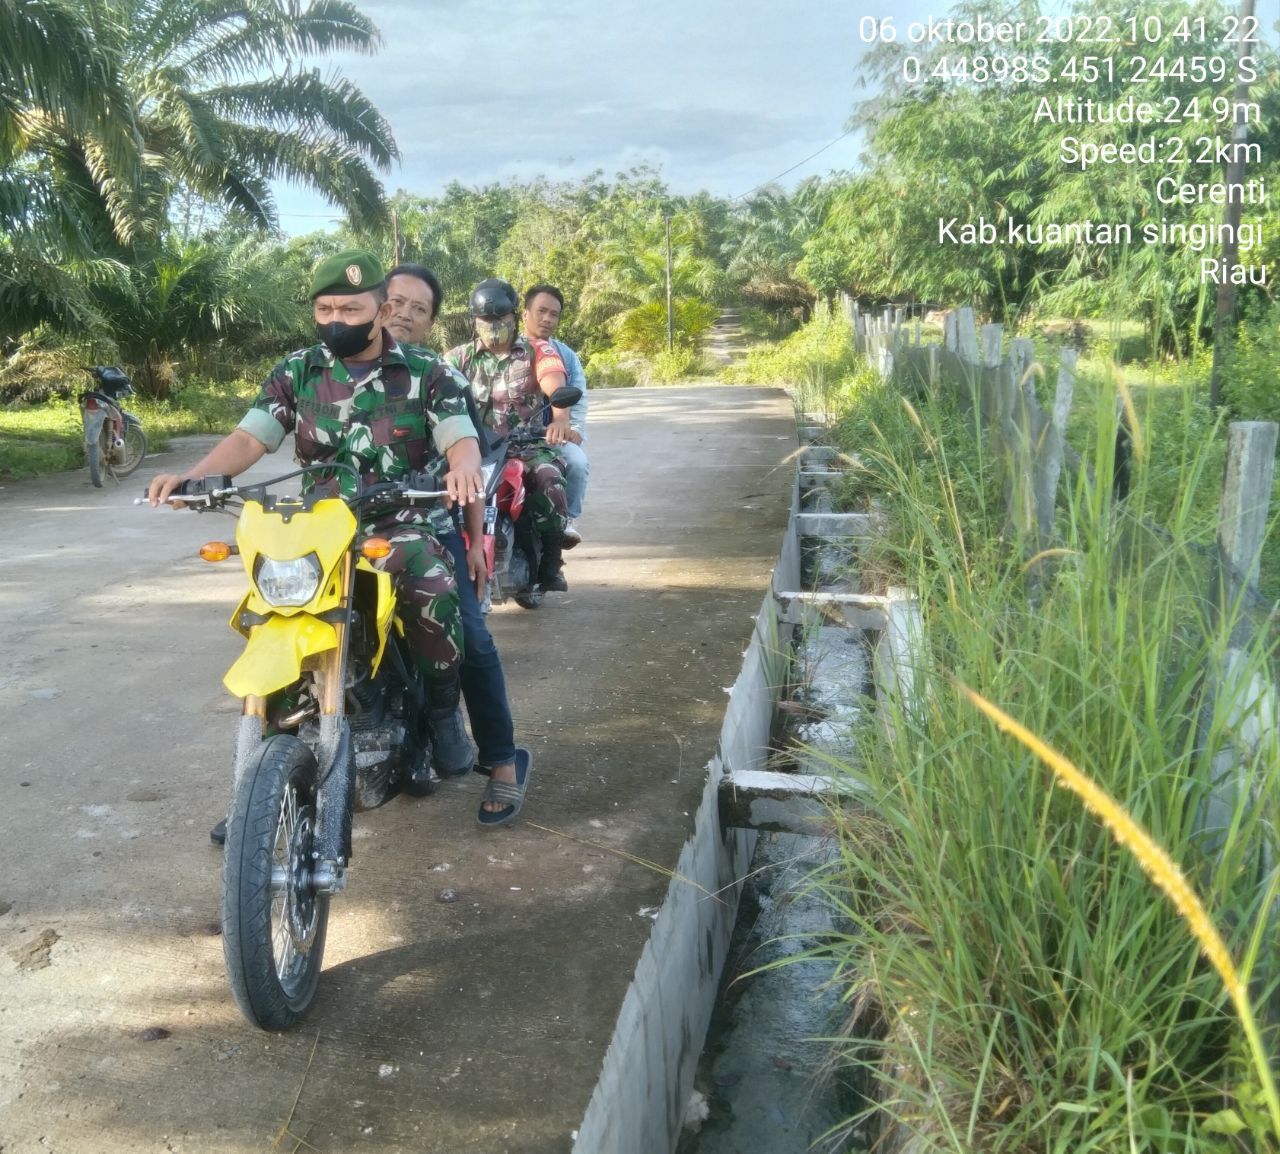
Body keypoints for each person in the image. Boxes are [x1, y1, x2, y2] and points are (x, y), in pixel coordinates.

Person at [148, 250, 532, 832]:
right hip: (317, 526)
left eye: (350, 307)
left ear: (379, 311)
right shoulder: (299, 370)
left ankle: (449, 715)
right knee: (270, 616)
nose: (336, 318)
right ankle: (258, 795)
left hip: (401, 522)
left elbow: (460, 441)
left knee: (440, 600)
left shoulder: (430, 373)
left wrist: (460, 470)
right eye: (325, 308)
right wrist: (195, 477)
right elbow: (251, 439)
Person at [381, 262, 530, 825]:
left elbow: (465, 456)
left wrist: (473, 539)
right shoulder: (326, 367)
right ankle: (262, 783)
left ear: (432, 322)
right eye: (395, 302)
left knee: (471, 634)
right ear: (374, 302)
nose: (404, 314)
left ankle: (500, 761)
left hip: (429, 530)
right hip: (342, 531)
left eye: (419, 309)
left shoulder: (438, 377)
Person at [445, 277, 573, 593]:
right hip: (475, 449)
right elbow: (434, 389)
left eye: (499, 319)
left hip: (525, 446)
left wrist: (560, 415)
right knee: (436, 495)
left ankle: (551, 564)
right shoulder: (458, 357)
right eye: (485, 321)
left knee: (548, 481)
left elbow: (553, 380)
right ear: (474, 322)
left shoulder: (536, 350)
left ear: (513, 317)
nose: (492, 326)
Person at [522, 283, 589, 547]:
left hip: (549, 440)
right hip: (501, 441)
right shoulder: (505, 350)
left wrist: (573, 428)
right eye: (541, 311)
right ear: (525, 313)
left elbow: (578, 397)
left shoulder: (566, 356)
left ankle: (565, 521)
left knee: (577, 463)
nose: (548, 318)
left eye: (554, 314)